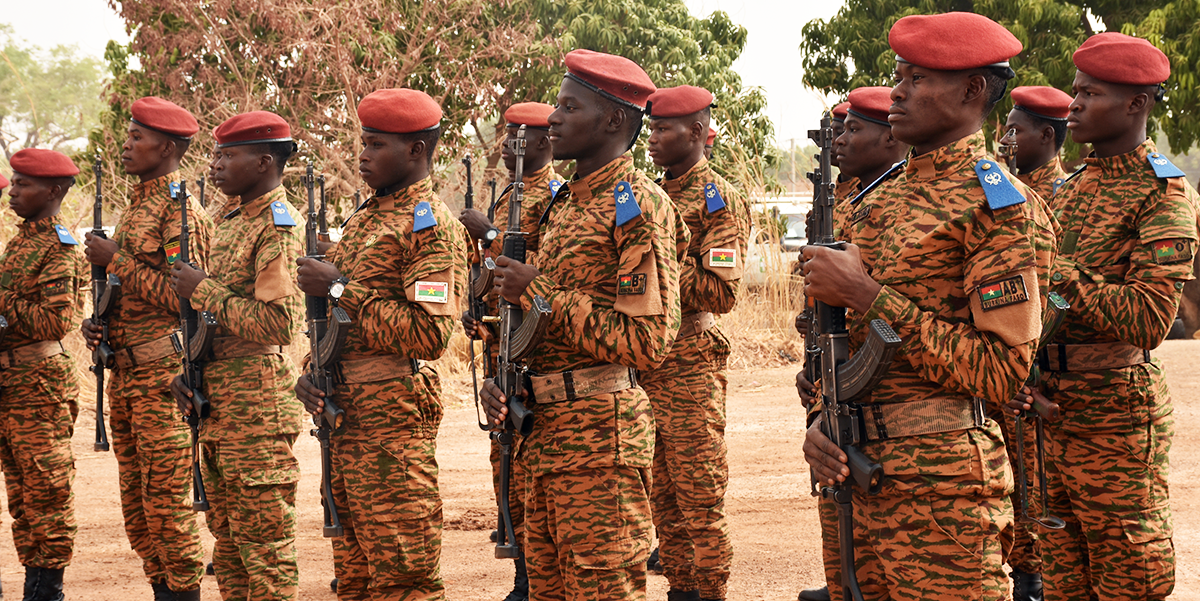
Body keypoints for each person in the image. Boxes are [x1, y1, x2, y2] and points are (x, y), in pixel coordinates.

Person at [801, 12, 1055, 600]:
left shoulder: (997, 204)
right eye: (899, 75)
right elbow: (837, 344)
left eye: (916, 78)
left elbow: (1002, 371)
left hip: (943, 493)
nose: (897, 91)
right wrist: (820, 419)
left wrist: (868, 295)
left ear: (971, 90)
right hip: (852, 473)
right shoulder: (874, 201)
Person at [477, 49, 681, 600]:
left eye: (569, 106)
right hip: (542, 436)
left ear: (614, 119)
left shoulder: (635, 204)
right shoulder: (564, 204)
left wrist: (540, 292)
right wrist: (507, 375)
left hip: (599, 442)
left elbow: (647, 340)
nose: (553, 119)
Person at [1010, 32, 1199, 601]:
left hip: (1116, 415)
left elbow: (1148, 319)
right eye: (1075, 93)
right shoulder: (1069, 191)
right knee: (1064, 576)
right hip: (1054, 409)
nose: (1075, 107)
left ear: (1136, 104)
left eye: (1089, 94)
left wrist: (1056, 269)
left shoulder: (1163, 194)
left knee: (1127, 578)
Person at [293, 87, 467, 601]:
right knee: (355, 577)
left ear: (416, 150)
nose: (363, 155)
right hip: (344, 415)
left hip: (391, 420)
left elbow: (429, 333)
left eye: (376, 144)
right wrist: (312, 371)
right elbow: (338, 326)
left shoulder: (430, 225)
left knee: (403, 573)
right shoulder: (366, 219)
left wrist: (340, 287)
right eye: (362, 142)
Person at [168, 110, 307, 601]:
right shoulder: (229, 222)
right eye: (215, 154)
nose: (216, 165)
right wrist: (188, 371)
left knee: (264, 550)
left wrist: (203, 290)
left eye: (228, 156)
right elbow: (212, 323)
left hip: (257, 403)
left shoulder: (277, 226)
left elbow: (278, 324)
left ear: (265, 161)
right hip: (219, 401)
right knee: (227, 548)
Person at [82, 96, 210, 601]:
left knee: (168, 509)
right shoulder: (137, 206)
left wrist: (117, 262)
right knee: (138, 511)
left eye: (139, 137)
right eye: (129, 134)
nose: (128, 144)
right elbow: (131, 295)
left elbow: (188, 298)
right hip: (125, 375)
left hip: (163, 379)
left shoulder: (181, 210)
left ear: (169, 147)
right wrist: (100, 327)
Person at [795, 85, 910, 601]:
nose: (841, 140)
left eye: (854, 129)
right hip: (847, 412)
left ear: (891, 138)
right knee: (849, 564)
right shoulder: (859, 205)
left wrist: (862, 295)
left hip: (922, 452)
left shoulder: (915, 206)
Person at [642, 84, 750, 601]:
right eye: (652, 128)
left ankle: (711, 591)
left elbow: (720, 290)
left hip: (689, 363)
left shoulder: (718, 197)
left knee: (698, 494)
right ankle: (681, 589)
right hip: (644, 362)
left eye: (664, 129)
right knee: (660, 494)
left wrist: (656, 258)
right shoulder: (646, 195)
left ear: (699, 132)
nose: (653, 138)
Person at [458, 101, 561, 601]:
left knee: (530, 466)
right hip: (504, 346)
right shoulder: (507, 196)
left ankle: (534, 577)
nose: (507, 142)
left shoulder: (556, 197)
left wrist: (492, 234)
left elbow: (548, 271)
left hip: (538, 345)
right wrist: (474, 306)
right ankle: (523, 571)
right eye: (506, 132)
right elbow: (492, 275)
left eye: (518, 134)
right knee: (507, 466)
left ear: (544, 142)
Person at [0, 149, 87, 601]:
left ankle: (47, 589)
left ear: (53, 192)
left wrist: (2, 302)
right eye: (13, 183)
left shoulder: (59, 245)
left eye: (23, 185)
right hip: (11, 383)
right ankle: (33, 583)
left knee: (46, 488)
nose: (12, 191)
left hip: (39, 383)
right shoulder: (21, 241)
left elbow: (55, 323)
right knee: (20, 492)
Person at [998, 86, 1072, 202]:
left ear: (1046, 135)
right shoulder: (1004, 187)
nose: (1003, 140)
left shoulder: (1066, 196)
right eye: (1007, 132)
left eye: (1015, 131)